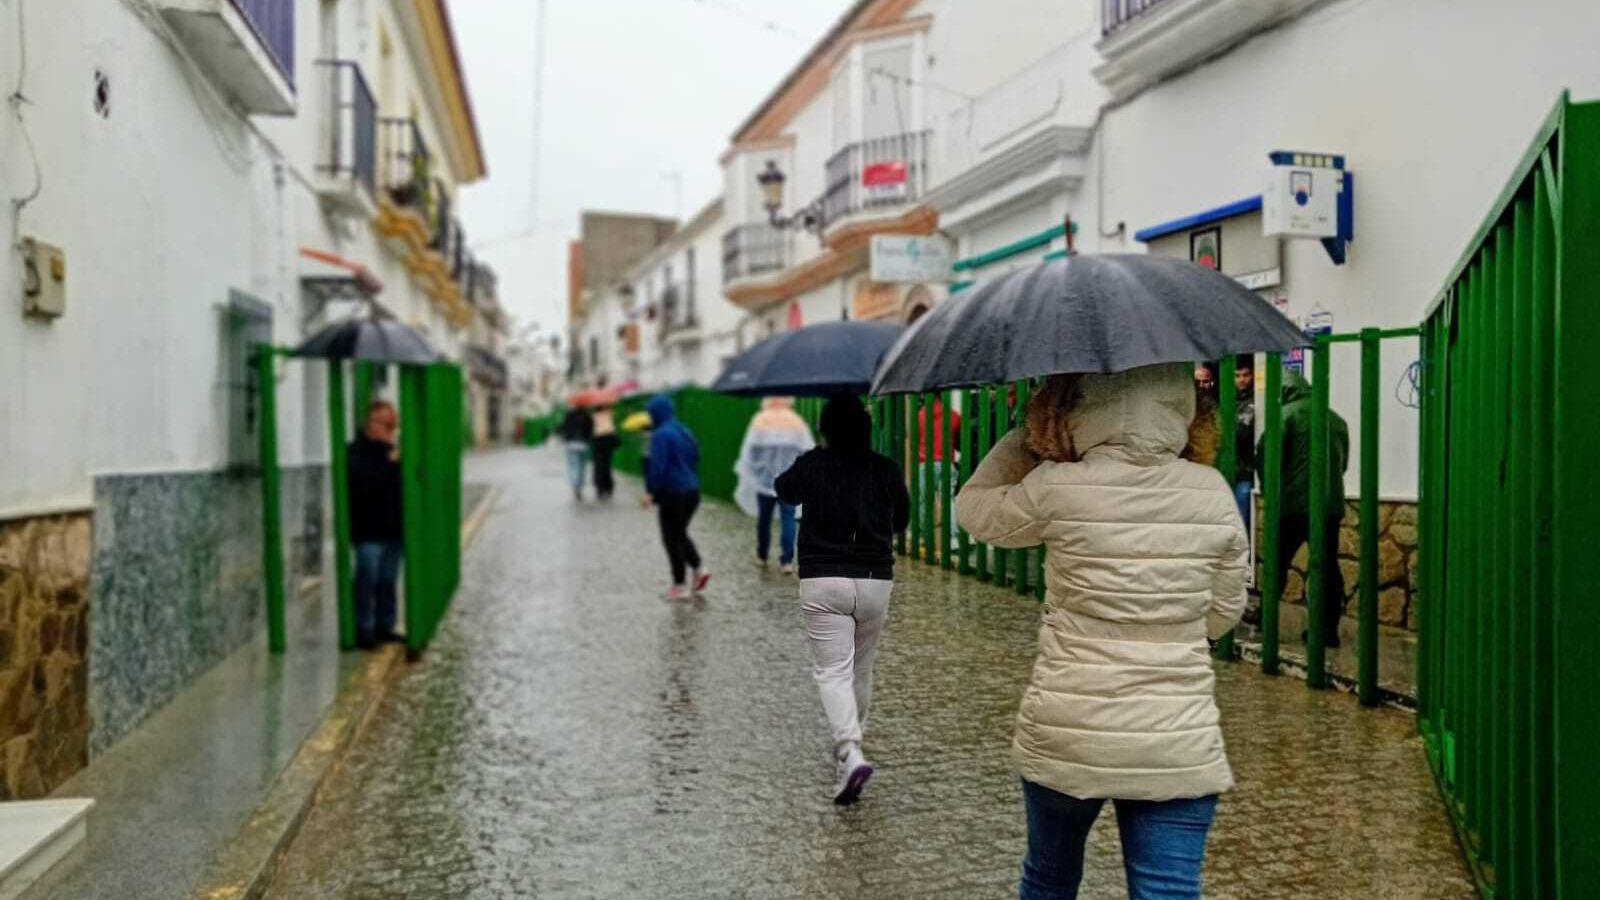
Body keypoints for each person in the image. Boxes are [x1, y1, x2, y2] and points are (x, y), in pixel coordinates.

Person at [956, 364, 1248, 900]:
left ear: (1078, 406)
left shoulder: (1057, 488)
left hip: (1070, 730)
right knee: (1169, 891)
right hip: (1176, 737)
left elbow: (974, 511)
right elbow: (1221, 615)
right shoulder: (1213, 495)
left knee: (1049, 878)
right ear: (1181, 407)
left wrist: (1028, 439)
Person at [775, 396, 910, 805]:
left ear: (825, 429)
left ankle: (849, 751)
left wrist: (815, 456)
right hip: (874, 580)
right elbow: (901, 520)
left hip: (823, 579)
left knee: (832, 671)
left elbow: (783, 490)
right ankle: (851, 750)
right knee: (860, 669)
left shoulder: (814, 463)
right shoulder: (883, 468)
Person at [1256, 368, 1350, 648]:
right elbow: (1342, 464)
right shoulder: (1336, 419)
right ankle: (1327, 629)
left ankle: (1267, 620)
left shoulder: (1285, 417)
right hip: (1329, 504)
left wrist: (1270, 492)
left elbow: (1268, 460)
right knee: (1327, 565)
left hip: (1292, 506)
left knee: (1277, 562)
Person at [347, 400, 407, 650]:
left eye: (394, 424)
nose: (391, 430)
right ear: (371, 423)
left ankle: (385, 626)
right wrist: (390, 462)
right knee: (366, 580)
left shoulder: (392, 450)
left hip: (393, 530)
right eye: (387, 424)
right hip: (368, 530)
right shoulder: (355, 451)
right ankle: (364, 629)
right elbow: (363, 485)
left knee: (387, 581)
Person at [734, 397, 814, 573]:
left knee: (764, 519)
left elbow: (750, 451)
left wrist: (757, 470)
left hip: (765, 480)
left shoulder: (761, 420)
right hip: (790, 481)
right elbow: (807, 450)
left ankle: (762, 556)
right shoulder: (796, 421)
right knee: (788, 519)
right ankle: (787, 560)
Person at [645, 394, 711, 600]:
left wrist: (651, 491)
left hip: (673, 492)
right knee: (679, 534)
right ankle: (699, 568)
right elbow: (696, 456)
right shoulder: (684, 430)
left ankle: (680, 585)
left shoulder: (660, 435)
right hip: (692, 490)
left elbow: (658, 467)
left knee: (671, 538)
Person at [1232, 357, 1257, 525]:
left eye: (1246, 375)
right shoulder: (1231, 401)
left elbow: (1242, 433)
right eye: (1238, 376)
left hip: (1246, 471)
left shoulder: (1256, 401)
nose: (1242, 380)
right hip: (1232, 470)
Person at [559, 405, 593, 500]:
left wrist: (565, 436)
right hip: (583, 444)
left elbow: (563, 427)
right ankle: (580, 485)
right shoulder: (587, 416)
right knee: (582, 466)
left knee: (574, 465)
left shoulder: (569, 415)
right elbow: (590, 429)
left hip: (571, 444)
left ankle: (575, 486)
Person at [591, 402, 620, 500]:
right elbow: (613, 428)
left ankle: (601, 488)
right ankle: (608, 487)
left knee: (599, 466)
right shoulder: (610, 413)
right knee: (607, 465)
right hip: (608, 440)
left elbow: (592, 429)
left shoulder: (594, 415)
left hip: (598, 440)